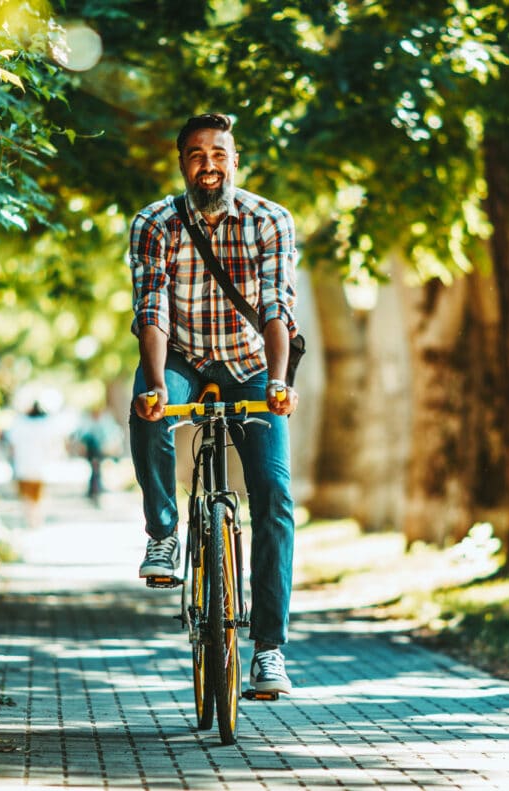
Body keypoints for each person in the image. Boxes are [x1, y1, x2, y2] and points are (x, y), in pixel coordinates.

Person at [126, 112, 301, 695]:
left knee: (273, 495)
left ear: (235, 159)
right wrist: (155, 384)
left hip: (251, 365)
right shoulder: (154, 222)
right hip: (180, 357)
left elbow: (277, 307)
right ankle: (164, 532)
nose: (209, 165)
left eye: (220, 153)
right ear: (182, 163)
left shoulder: (270, 220)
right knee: (145, 407)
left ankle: (269, 650)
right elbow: (151, 309)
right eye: (198, 155)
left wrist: (277, 382)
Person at [4, 401, 59, 530]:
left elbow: (11, 445)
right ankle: (36, 520)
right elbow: (51, 445)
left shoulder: (19, 424)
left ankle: (30, 519)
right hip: (40, 467)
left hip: (22, 465)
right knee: (38, 496)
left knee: (26, 495)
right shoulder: (45, 425)